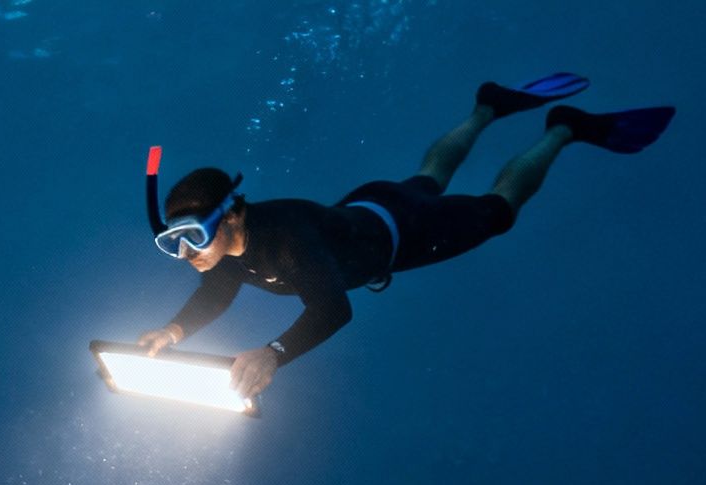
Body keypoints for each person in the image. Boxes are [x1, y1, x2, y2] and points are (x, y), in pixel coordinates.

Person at [138, 75, 676, 399]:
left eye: (194, 235)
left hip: (408, 233)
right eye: (174, 242)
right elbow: (220, 287)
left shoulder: (287, 243)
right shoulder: (229, 251)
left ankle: (564, 127)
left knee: (498, 210)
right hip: (367, 206)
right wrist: (173, 331)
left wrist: (273, 353)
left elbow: (332, 310)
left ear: (232, 215)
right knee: (428, 178)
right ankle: (488, 105)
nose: (187, 253)